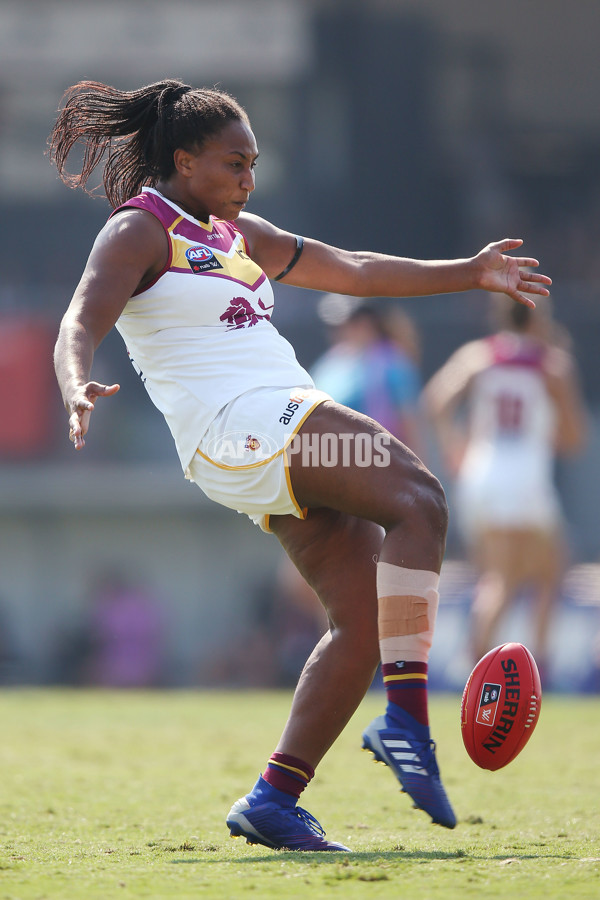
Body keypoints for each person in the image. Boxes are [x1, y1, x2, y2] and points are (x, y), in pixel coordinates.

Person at [48, 78, 551, 851]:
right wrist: (76, 382)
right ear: (184, 160)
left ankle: (274, 798)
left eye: (254, 163)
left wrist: (471, 271)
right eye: (234, 163)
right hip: (240, 425)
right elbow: (80, 318)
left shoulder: (235, 231)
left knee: (360, 625)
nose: (249, 177)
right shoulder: (138, 231)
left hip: (270, 426)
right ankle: (408, 719)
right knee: (420, 496)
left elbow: (351, 268)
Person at [422, 293, 587, 681]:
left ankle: (486, 666)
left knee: (523, 571)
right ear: (538, 320)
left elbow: (436, 400)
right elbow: (574, 437)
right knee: (521, 577)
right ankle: (509, 668)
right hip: (525, 478)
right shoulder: (552, 364)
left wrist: (454, 444)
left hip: (481, 474)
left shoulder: (478, 356)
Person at [311, 298, 423, 454]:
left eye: (352, 322)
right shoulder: (331, 361)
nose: (340, 330)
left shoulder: (393, 362)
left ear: (368, 323)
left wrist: (416, 471)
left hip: (379, 461)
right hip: (330, 458)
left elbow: (408, 420)